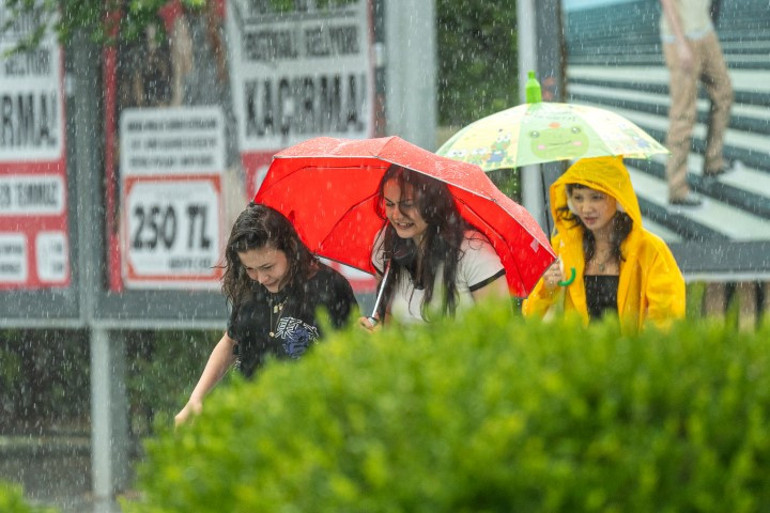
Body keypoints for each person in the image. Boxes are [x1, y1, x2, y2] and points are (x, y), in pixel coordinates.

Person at [175, 203, 358, 425]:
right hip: (251, 417)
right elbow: (230, 341)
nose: (261, 278)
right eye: (250, 269)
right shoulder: (250, 288)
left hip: (310, 421)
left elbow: (352, 355)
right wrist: (195, 399)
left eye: (268, 267)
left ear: (290, 247)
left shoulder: (329, 286)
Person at [522, 156, 685, 331]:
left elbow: (667, 319)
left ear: (619, 198)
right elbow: (531, 317)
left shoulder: (651, 249)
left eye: (596, 197)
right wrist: (548, 289)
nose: (585, 208)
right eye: (578, 198)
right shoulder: (561, 248)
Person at [359, 165, 509, 327]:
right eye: (389, 204)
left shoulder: (474, 252)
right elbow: (388, 320)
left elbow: (502, 332)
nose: (396, 215)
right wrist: (375, 332)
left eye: (407, 204)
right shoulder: (386, 243)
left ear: (433, 203)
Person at [659, 0, 733, 207]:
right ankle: (677, 188)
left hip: (704, 30)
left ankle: (713, 161)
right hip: (681, 38)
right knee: (683, 115)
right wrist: (681, 43)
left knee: (724, 93)